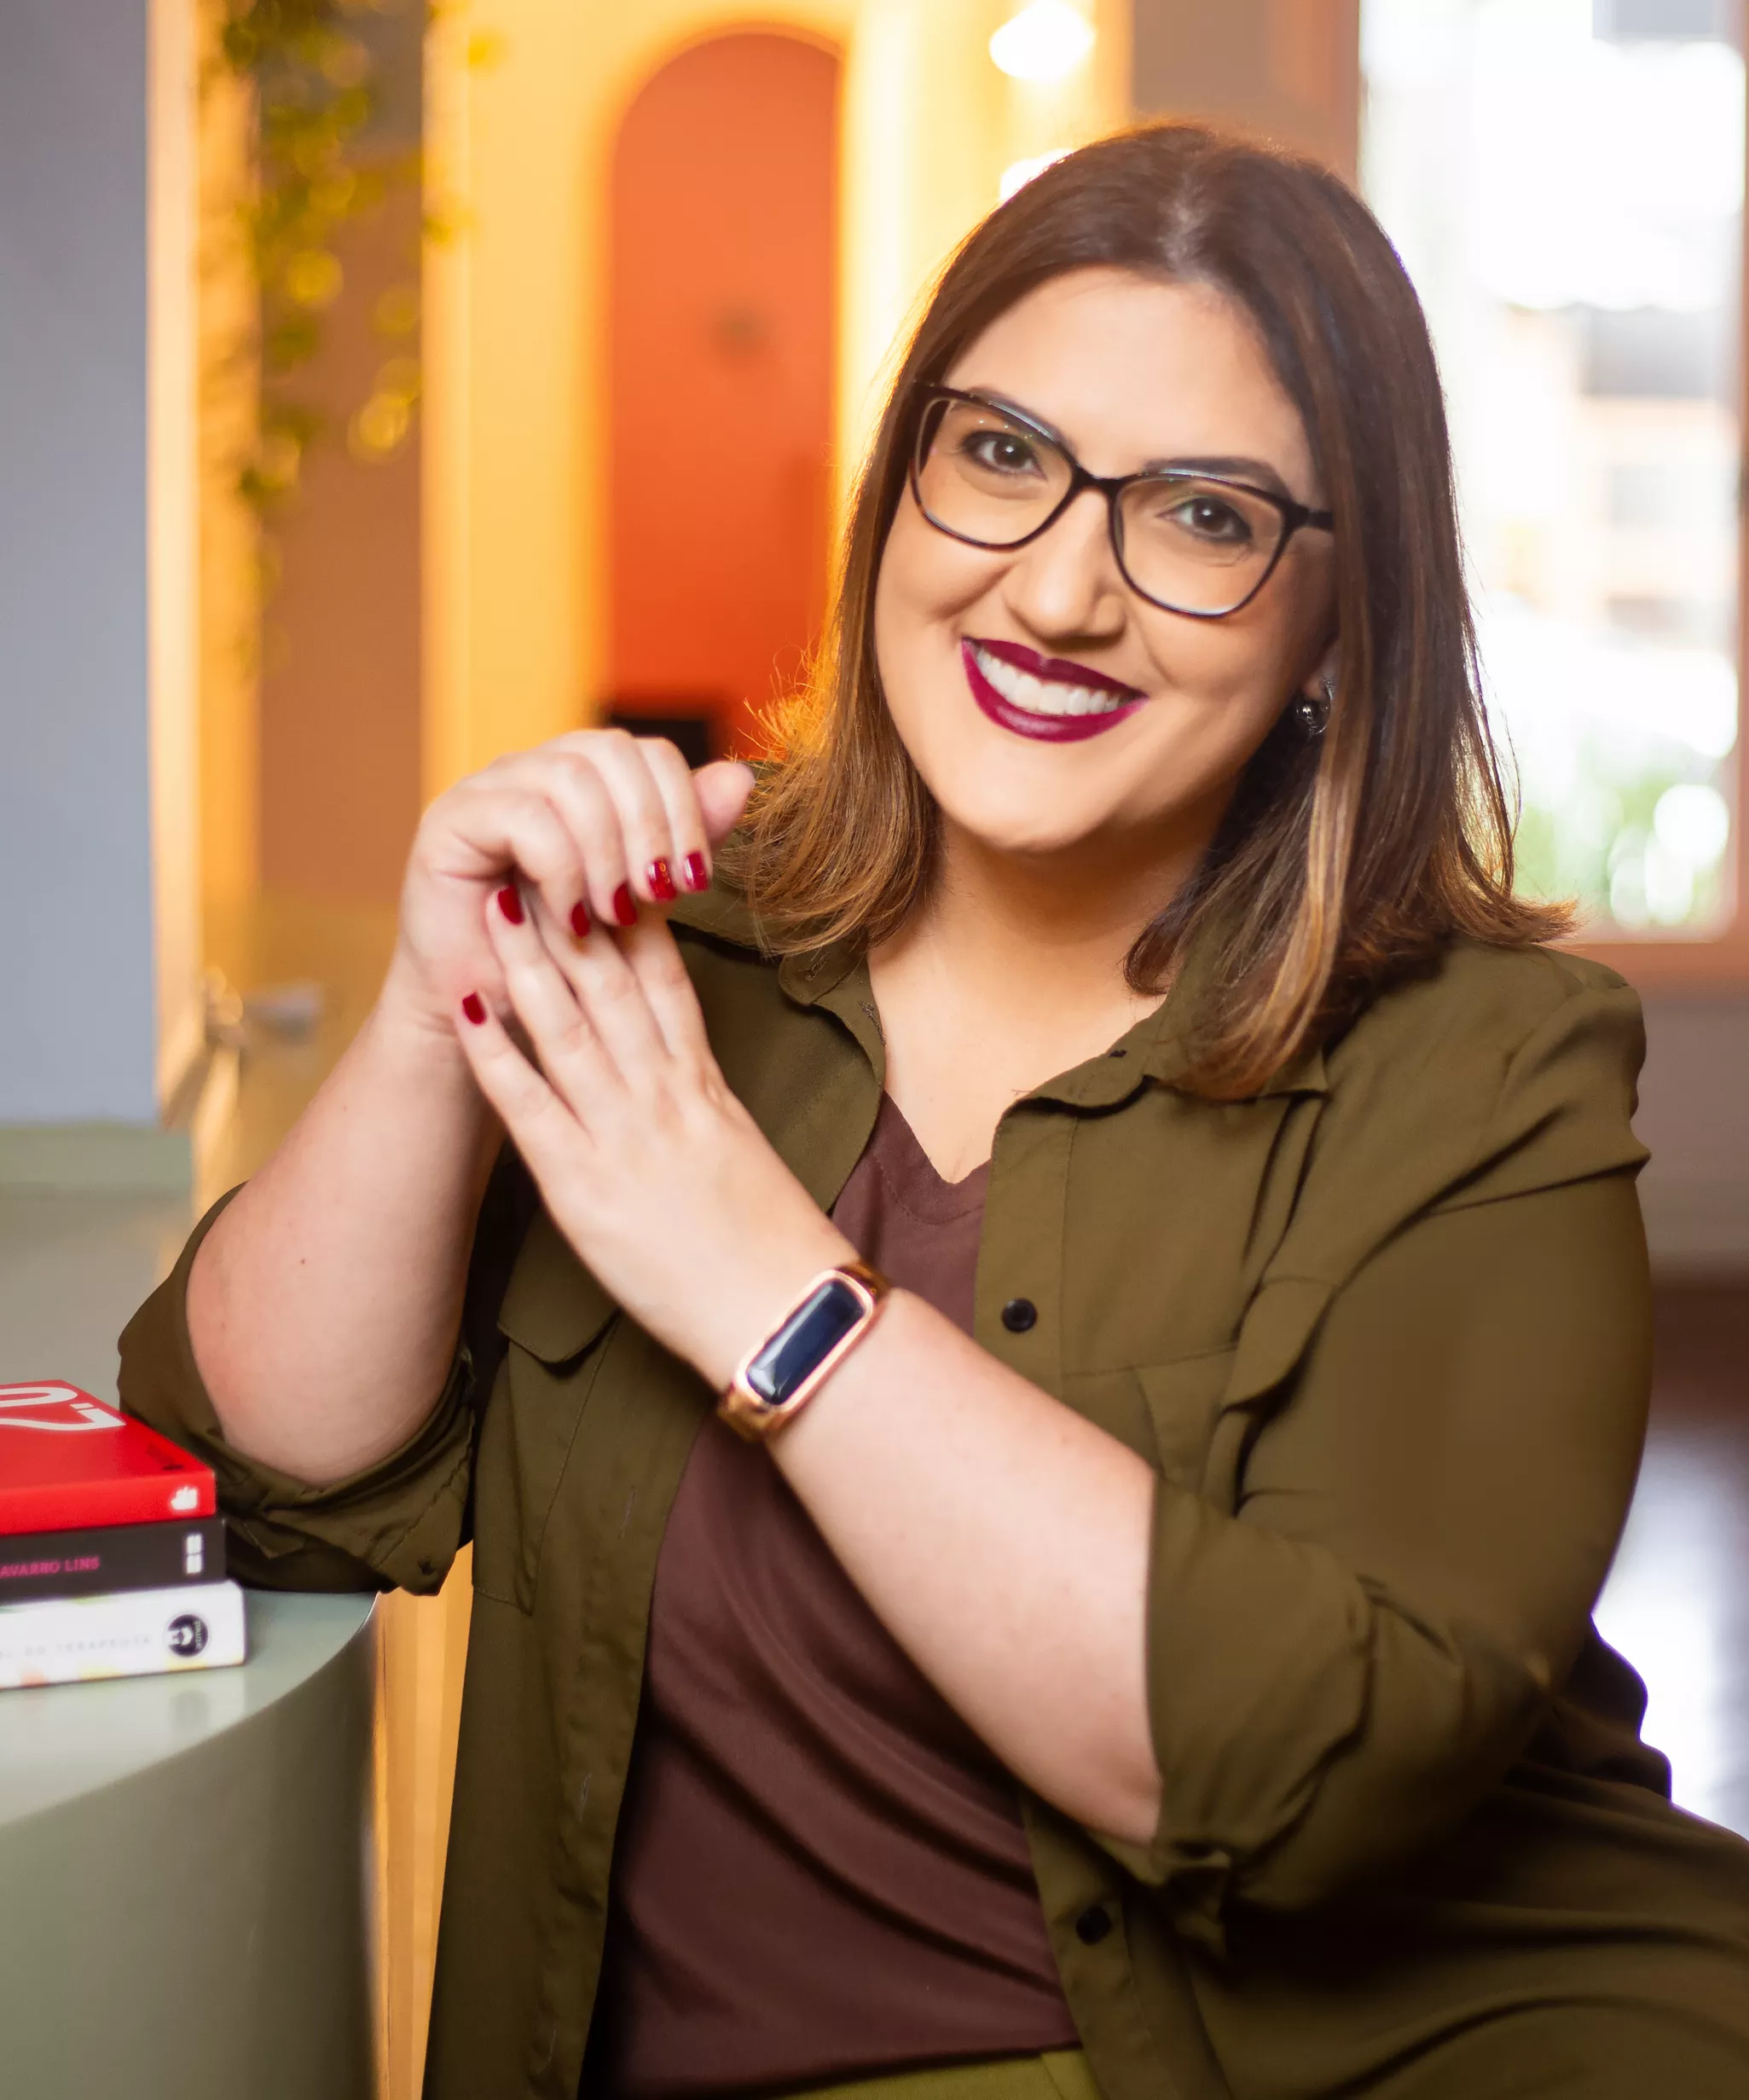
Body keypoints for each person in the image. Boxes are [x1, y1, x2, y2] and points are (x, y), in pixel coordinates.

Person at [119, 124, 1749, 2100]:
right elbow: (253, 1472)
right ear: (898, 480)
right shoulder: (666, 955)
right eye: (997, 454)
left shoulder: (1482, 1068)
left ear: (1339, 615)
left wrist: (761, 1282)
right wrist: (429, 1003)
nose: (1055, 591)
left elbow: (1310, 1779)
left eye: (1204, 516)